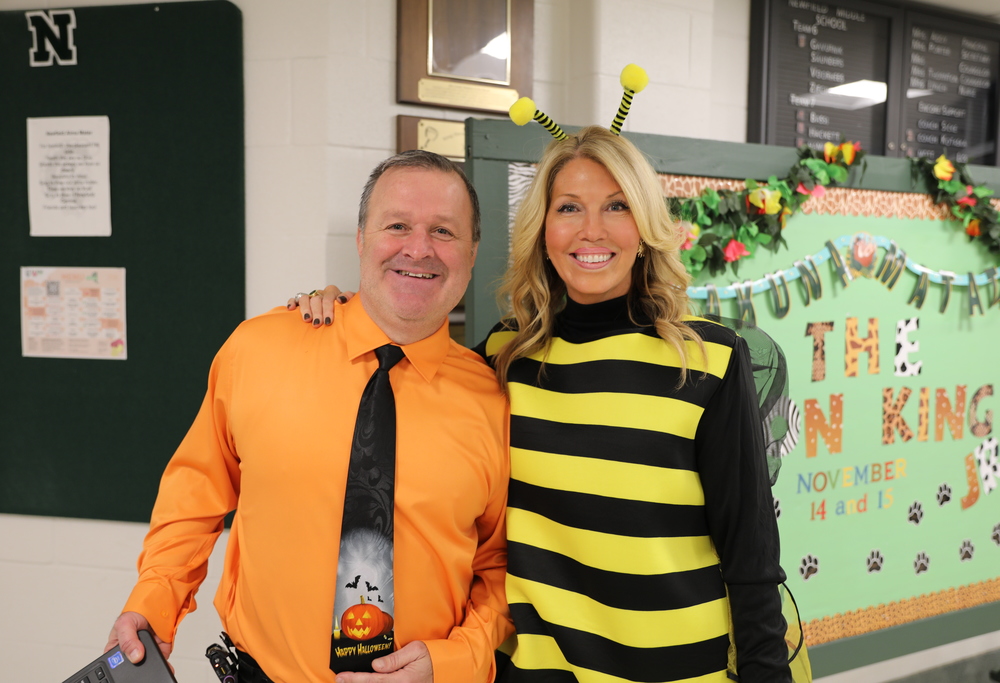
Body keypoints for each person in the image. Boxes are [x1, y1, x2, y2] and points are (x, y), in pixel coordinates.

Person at [293, 125, 793, 682]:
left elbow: (752, 560)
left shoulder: (707, 361)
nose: (591, 230)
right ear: (543, 229)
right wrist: (343, 312)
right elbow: (398, 383)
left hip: (678, 670)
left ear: (646, 227)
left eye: (617, 206)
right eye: (569, 207)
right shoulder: (505, 357)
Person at [107, 150, 512, 683]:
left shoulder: (495, 401)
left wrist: (455, 661)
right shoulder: (258, 350)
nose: (419, 248)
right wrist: (154, 600)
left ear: (473, 251)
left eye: (443, 231)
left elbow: (501, 566)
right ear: (361, 238)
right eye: (397, 225)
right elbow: (195, 494)